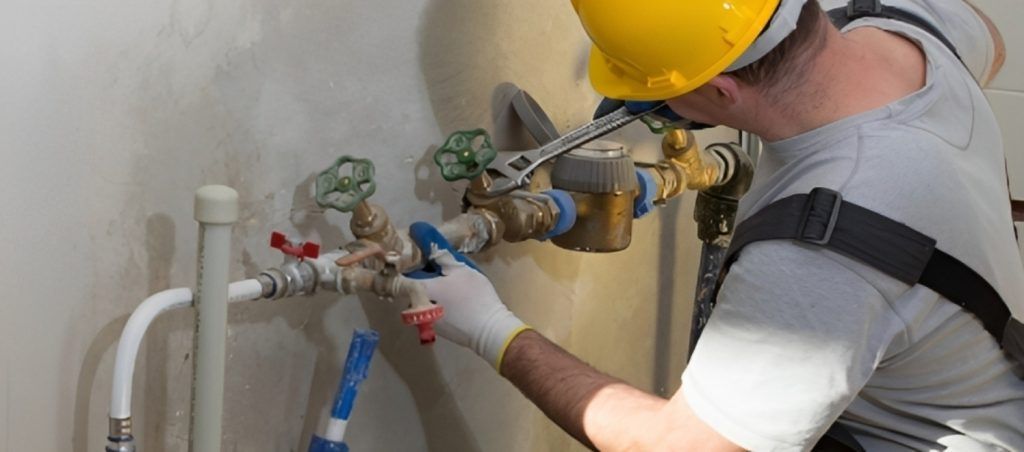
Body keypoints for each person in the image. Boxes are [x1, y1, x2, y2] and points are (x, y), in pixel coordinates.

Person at [408, 0, 1024, 450]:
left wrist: (492, 330)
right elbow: (990, 37)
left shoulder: (818, 257)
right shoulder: (904, 23)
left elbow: (682, 447)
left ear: (724, 90)